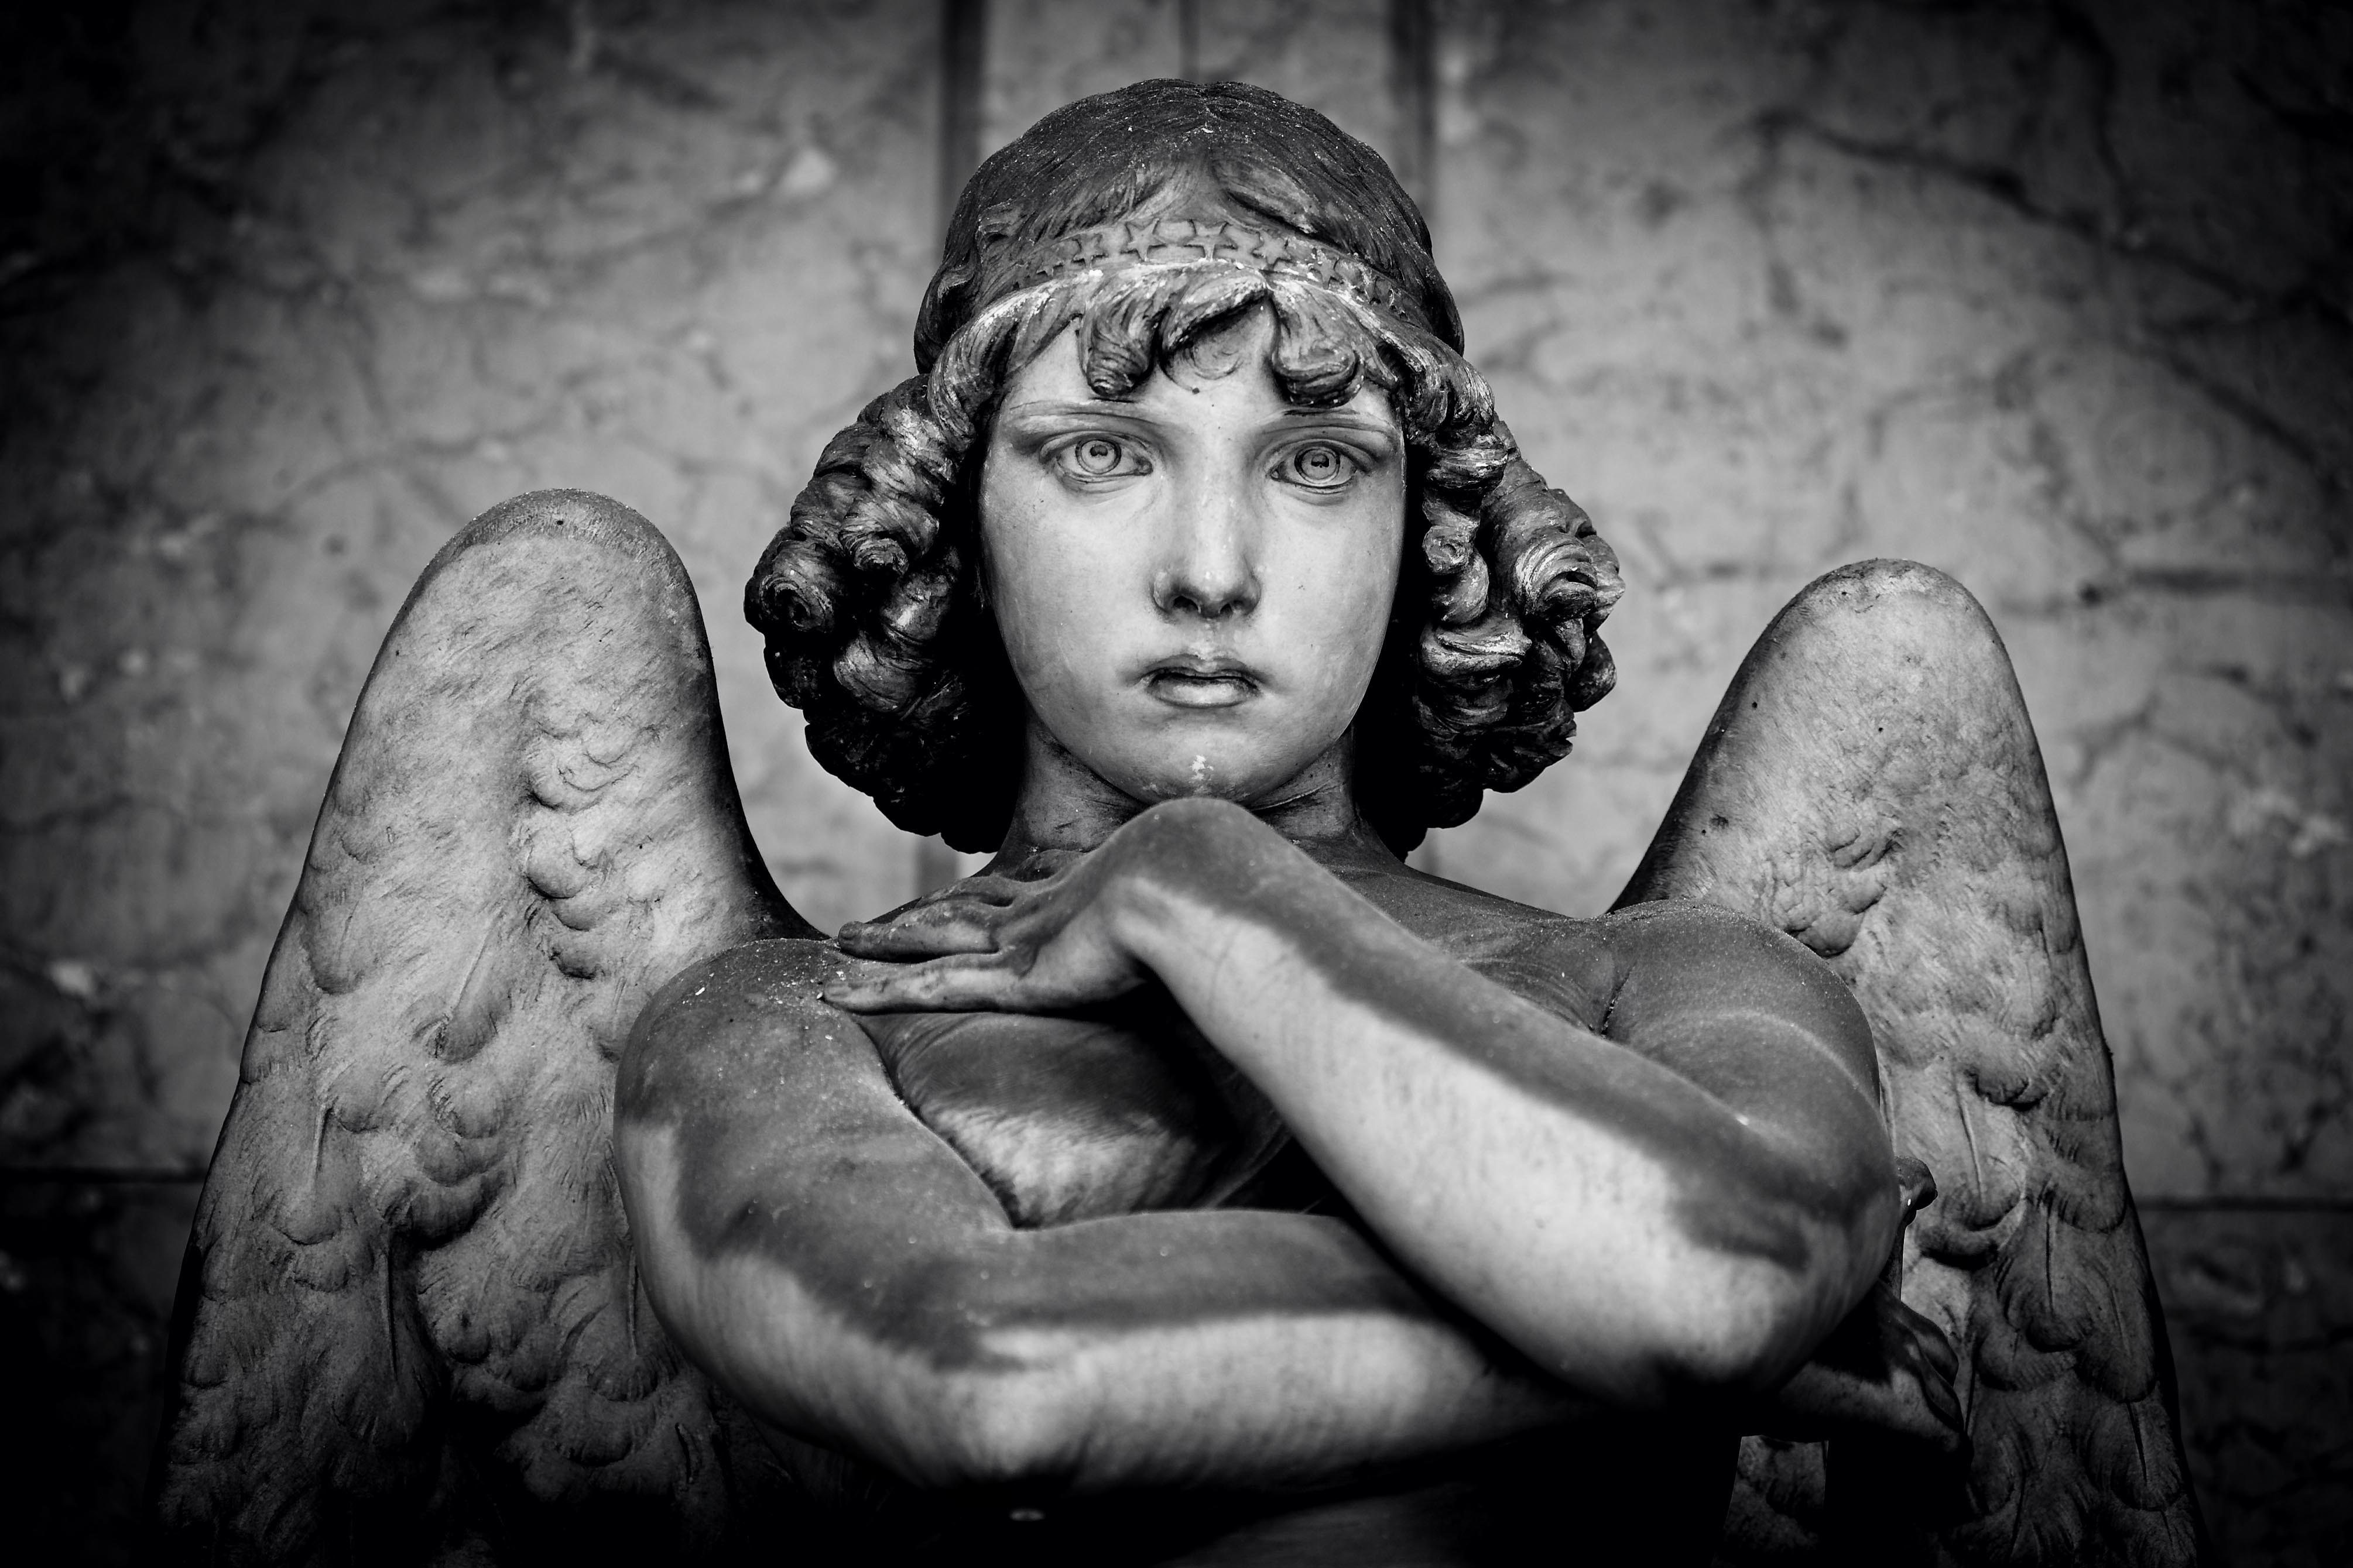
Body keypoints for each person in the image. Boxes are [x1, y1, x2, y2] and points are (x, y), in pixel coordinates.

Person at [613, 80, 1950, 1563]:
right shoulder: (784, 1021)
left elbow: (1724, 1282)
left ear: (1427, 533)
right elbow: (993, 1382)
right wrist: (1643, 1333)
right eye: (1102, 453)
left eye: (1316, 461)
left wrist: (1203, 884)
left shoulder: (1685, 981)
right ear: (959, 526)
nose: (1210, 571)